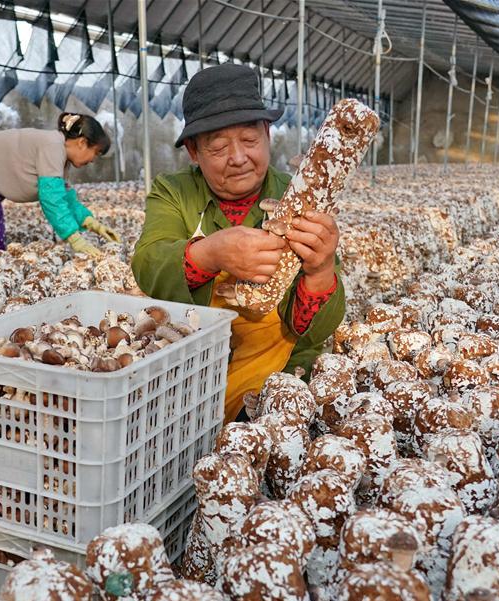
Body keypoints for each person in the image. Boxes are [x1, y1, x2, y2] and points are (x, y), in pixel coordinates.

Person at [132, 64, 345, 423]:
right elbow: (148, 264)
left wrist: (320, 270)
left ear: (267, 134)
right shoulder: (174, 191)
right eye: (217, 147)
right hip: (191, 365)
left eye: (249, 140)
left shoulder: (300, 199)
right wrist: (212, 252)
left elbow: (319, 332)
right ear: (194, 152)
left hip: (279, 376)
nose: (238, 157)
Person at [0, 113, 121, 260]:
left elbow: (64, 196)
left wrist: (90, 222)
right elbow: (51, 199)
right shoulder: (53, 146)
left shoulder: (60, 156)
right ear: (82, 142)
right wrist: (74, 237)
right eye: (95, 153)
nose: (93, 160)